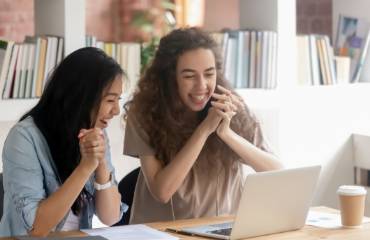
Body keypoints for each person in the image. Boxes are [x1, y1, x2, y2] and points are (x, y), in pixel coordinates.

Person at [123, 27, 283, 224]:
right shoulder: (144, 114)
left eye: (209, 74)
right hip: (162, 232)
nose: (202, 85)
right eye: (189, 76)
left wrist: (227, 134)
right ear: (169, 77)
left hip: (223, 230)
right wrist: (205, 129)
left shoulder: (231, 106)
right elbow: (162, 191)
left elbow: (278, 172)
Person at [0, 47, 127, 236]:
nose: (116, 111)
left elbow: (111, 217)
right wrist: (85, 167)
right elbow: (36, 227)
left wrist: (100, 164)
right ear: (81, 96)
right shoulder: (24, 138)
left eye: (119, 100)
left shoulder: (96, 132)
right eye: (110, 100)